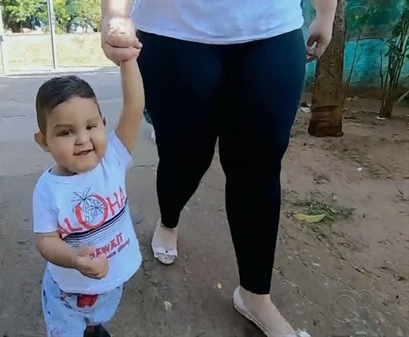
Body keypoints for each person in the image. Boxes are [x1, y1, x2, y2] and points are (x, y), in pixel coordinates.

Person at [100, 1, 335, 337]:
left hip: (272, 30)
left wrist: (326, 11)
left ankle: (255, 295)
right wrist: (114, 14)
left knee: (259, 168)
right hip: (173, 31)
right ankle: (169, 219)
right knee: (184, 158)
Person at [31, 27, 145, 337]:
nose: (82, 139)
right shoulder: (48, 189)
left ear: (103, 126)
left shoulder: (113, 160)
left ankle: (93, 328)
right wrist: (72, 258)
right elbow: (46, 240)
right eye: (66, 132)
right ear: (44, 142)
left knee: (97, 321)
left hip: (110, 283)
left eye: (91, 126)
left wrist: (128, 59)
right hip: (67, 295)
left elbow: (134, 108)